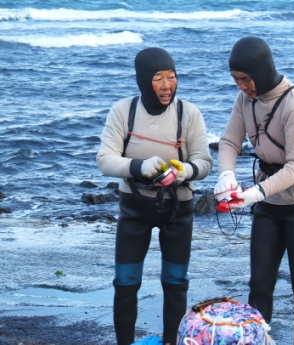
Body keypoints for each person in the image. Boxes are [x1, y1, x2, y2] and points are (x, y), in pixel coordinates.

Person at [214, 36, 294, 345]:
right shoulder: (245, 101)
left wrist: (253, 194)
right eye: (236, 80)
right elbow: (228, 142)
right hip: (268, 207)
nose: (241, 86)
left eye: (245, 79)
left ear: (261, 71)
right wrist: (226, 174)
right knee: (259, 285)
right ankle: (258, 341)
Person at [96, 47, 213, 345]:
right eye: (158, 78)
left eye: (171, 77)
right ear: (143, 81)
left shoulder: (189, 113)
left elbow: (205, 162)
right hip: (134, 209)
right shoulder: (124, 111)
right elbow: (105, 159)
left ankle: (171, 342)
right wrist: (140, 167)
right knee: (125, 284)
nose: (166, 85)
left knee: (176, 284)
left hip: (178, 210)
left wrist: (186, 170)